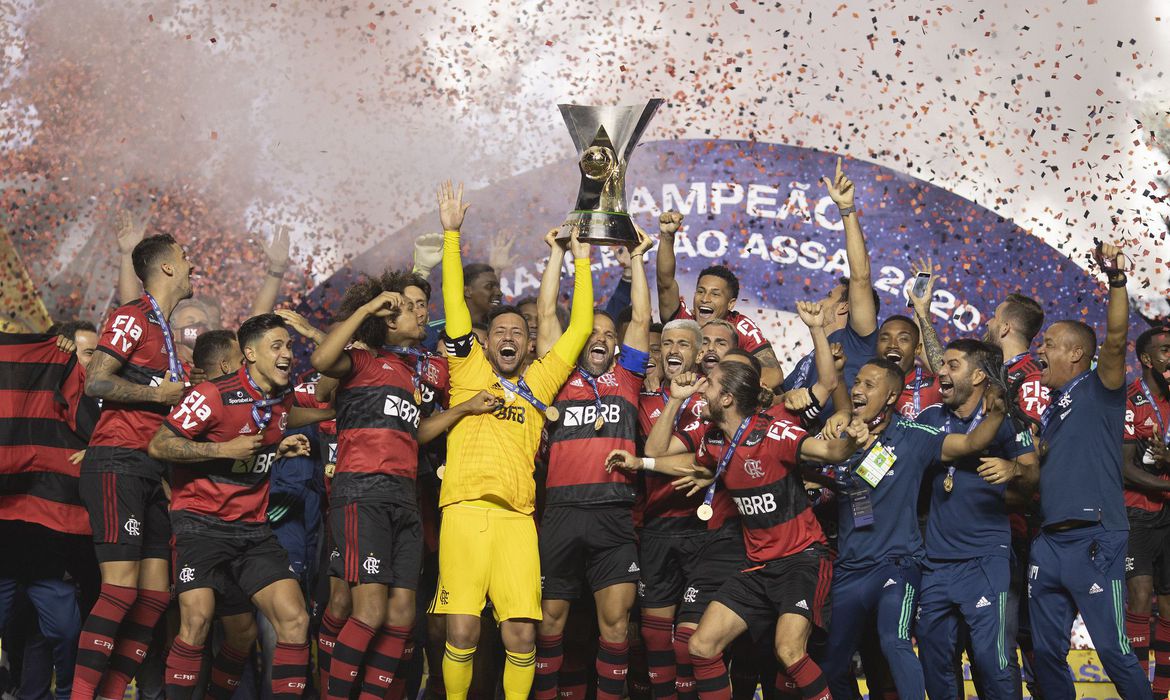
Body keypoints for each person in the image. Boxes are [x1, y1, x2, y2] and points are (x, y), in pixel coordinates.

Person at [427, 181, 594, 700]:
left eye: (518, 333)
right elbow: (455, 301)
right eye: (499, 330)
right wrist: (452, 236)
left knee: (524, 634)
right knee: (462, 631)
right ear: (486, 340)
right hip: (463, 512)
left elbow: (581, 325)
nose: (508, 337)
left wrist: (581, 262)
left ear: (526, 344)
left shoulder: (541, 382)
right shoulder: (468, 370)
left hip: (517, 522)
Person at [611, 360, 864, 700]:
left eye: (710, 385)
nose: (702, 389)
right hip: (758, 567)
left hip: (800, 560)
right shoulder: (716, 440)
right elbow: (692, 464)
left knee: (789, 651)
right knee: (700, 646)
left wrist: (852, 441)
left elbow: (830, 450)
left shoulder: (774, 433)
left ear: (727, 398)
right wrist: (642, 463)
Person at [311, 272, 495, 700]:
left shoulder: (410, 372)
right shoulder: (360, 361)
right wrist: (364, 311)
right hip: (363, 495)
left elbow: (414, 435)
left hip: (404, 498)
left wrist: (464, 408)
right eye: (409, 307)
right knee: (369, 611)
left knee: (400, 616)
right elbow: (320, 362)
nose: (420, 312)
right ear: (387, 319)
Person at [146, 313, 324, 700]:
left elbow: (326, 395)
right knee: (197, 619)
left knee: (294, 619)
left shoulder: (282, 401)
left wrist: (278, 449)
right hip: (200, 525)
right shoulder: (212, 394)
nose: (287, 355)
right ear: (249, 353)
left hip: (253, 531)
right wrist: (220, 450)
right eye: (276, 346)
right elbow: (160, 445)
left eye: (290, 346)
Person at [819, 358, 1008, 698]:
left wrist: (995, 414)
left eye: (869, 385)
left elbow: (968, 444)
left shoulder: (913, 436)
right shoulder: (837, 437)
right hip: (848, 569)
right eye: (857, 382)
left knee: (895, 642)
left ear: (892, 396)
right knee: (832, 665)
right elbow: (800, 464)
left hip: (898, 564)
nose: (858, 390)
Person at [71, 233, 194, 700]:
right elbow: (96, 381)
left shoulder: (165, 330)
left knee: (155, 596)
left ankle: (111, 692)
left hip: (150, 472)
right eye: (184, 258)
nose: (191, 264)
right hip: (117, 461)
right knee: (120, 590)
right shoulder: (133, 317)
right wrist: (156, 395)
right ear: (164, 268)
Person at [533, 228, 654, 700]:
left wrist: (639, 259)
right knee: (549, 622)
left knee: (616, 624)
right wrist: (556, 255)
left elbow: (641, 316)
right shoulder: (557, 374)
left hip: (613, 514)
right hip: (560, 513)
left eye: (609, 333)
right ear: (579, 339)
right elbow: (546, 316)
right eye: (593, 332)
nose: (601, 338)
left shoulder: (627, 377)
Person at [1028, 242, 1150, 698]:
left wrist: (1117, 280)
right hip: (1049, 541)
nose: (1040, 350)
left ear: (1076, 354)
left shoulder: (1101, 386)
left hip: (1094, 538)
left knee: (1113, 651)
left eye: (1049, 344)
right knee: (1045, 654)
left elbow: (1115, 339)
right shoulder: (1051, 409)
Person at [914, 339, 1038, 700]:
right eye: (943, 365)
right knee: (936, 660)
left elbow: (1031, 480)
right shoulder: (930, 417)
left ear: (979, 375)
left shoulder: (1008, 420)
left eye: (953, 365)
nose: (942, 371)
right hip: (935, 561)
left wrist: (1014, 467)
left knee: (992, 658)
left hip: (986, 557)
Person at [782, 158, 880, 425]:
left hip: (843, 445)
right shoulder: (810, 357)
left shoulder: (859, 340)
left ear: (844, 307)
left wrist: (846, 208)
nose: (821, 300)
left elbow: (860, 278)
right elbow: (778, 398)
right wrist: (789, 397)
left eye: (829, 296)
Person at [655, 212, 783, 388]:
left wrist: (721, 390)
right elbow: (665, 283)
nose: (705, 299)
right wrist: (667, 236)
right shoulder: (683, 321)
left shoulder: (741, 327)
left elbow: (773, 373)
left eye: (715, 294)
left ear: (730, 304)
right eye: (701, 291)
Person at [1122, 326, 1170, 689]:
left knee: (1168, 600)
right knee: (1140, 597)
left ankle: (1162, 690)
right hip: (1137, 513)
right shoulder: (1130, 400)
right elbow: (1125, 468)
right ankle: (1139, 688)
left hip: (1168, 514)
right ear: (1147, 359)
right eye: (1166, 350)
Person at [875, 314, 943, 419]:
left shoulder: (933, 387)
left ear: (918, 349)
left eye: (903, 339)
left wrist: (922, 312)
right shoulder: (864, 384)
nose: (892, 345)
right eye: (884, 339)